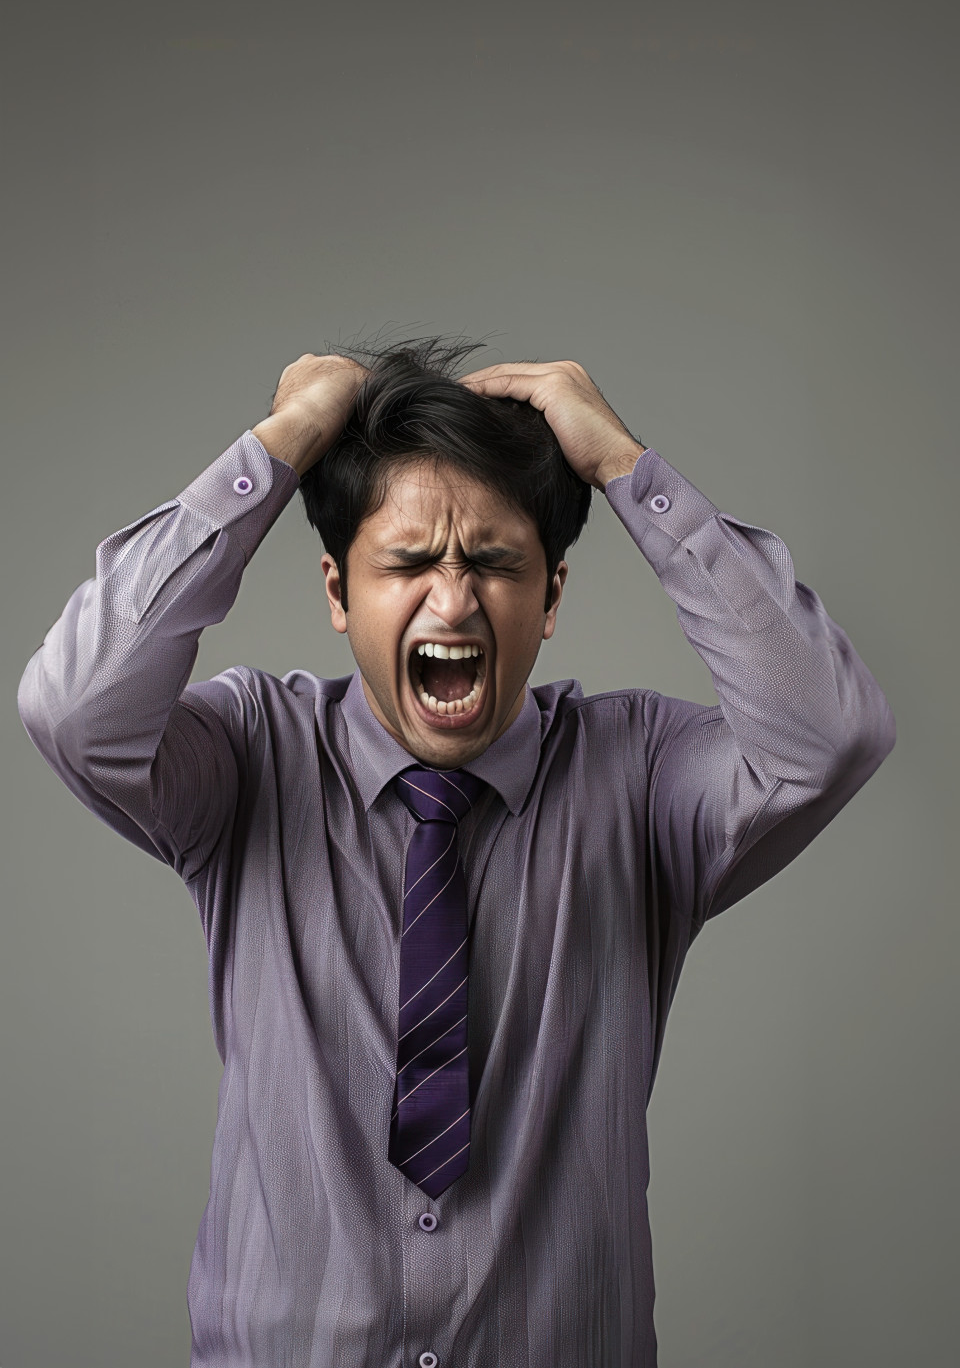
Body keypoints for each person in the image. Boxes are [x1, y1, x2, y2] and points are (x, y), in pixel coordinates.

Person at [17, 337, 896, 1368]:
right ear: (339, 594)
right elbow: (74, 709)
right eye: (407, 562)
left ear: (551, 598)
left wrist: (627, 470)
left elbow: (831, 732)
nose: (453, 599)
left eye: (491, 561)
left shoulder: (643, 778)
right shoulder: (250, 756)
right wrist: (286, 441)